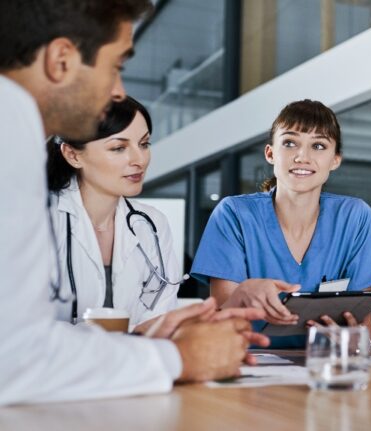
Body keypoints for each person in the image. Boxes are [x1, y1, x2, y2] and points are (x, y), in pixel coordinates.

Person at [0, 0, 267, 406]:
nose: (118, 91)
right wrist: (179, 358)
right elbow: (15, 358)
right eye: (116, 66)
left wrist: (154, 336)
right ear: (61, 60)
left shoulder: (16, 131)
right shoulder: (11, 132)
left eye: (143, 144)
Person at [191, 99, 371, 348]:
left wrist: (356, 341)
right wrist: (242, 295)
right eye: (289, 143)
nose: (302, 157)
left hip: (325, 364)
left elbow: (367, 330)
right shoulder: (234, 214)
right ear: (270, 153)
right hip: (248, 362)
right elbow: (219, 323)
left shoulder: (354, 217)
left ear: (335, 160)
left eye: (318, 146)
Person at [47, 96, 181, 329]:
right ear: (73, 155)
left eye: (144, 144)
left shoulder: (152, 224)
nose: (139, 160)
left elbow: (158, 318)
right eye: (119, 148)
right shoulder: (42, 220)